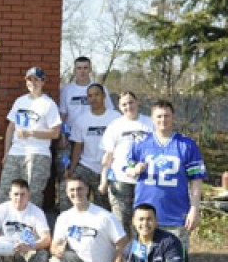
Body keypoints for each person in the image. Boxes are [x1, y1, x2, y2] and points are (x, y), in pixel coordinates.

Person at [125, 100, 207, 250]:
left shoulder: (187, 144)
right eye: (159, 116)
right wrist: (135, 170)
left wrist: (194, 209)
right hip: (145, 216)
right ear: (152, 118)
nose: (163, 120)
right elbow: (126, 169)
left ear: (173, 116)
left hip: (176, 215)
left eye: (167, 116)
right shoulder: (140, 142)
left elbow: (196, 180)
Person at [49, 175, 127, 262]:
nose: (76, 193)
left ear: (87, 190)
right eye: (72, 190)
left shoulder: (105, 217)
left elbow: (122, 248)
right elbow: (54, 245)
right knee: (55, 261)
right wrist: (56, 251)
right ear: (67, 192)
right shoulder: (64, 217)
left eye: (80, 189)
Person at [0, 67, 61, 208]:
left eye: (36, 79)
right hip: (16, 152)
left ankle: (31, 229)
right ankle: (1, 228)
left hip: (38, 154)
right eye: (29, 80)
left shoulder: (49, 104)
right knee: (5, 193)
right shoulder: (20, 101)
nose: (32, 83)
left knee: (32, 196)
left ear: (43, 81)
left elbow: (55, 132)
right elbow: (11, 128)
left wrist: (31, 133)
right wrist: (6, 152)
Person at [57, 56, 114, 211]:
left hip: (99, 147)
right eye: (79, 68)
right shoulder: (67, 90)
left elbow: (109, 112)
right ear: (74, 70)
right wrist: (62, 135)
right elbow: (62, 114)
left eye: (85, 68)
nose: (82, 71)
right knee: (66, 177)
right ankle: (65, 216)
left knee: (103, 198)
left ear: (90, 69)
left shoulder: (102, 92)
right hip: (72, 139)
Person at [99, 91, 154, 237]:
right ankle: (124, 256)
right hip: (120, 180)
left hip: (145, 181)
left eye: (131, 102)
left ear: (137, 102)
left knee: (143, 222)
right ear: (119, 106)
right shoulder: (115, 125)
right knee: (121, 222)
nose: (128, 106)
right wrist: (103, 180)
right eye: (124, 104)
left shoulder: (150, 123)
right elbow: (107, 156)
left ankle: (142, 255)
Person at [63, 84, 120, 211]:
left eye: (97, 95)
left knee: (105, 208)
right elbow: (78, 147)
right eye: (90, 96)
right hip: (86, 166)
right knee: (66, 189)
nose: (93, 98)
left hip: (109, 169)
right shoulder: (81, 120)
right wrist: (71, 169)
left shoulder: (116, 118)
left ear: (104, 96)